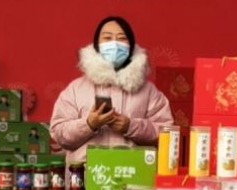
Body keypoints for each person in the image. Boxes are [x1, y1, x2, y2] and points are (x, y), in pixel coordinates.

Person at [50, 16, 173, 164]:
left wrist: (131, 126)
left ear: (131, 46)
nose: (114, 44)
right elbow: (58, 133)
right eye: (107, 38)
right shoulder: (76, 89)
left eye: (121, 38)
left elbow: (167, 133)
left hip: (132, 173)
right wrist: (89, 124)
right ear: (96, 45)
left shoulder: (148, 91)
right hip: (85, 174)